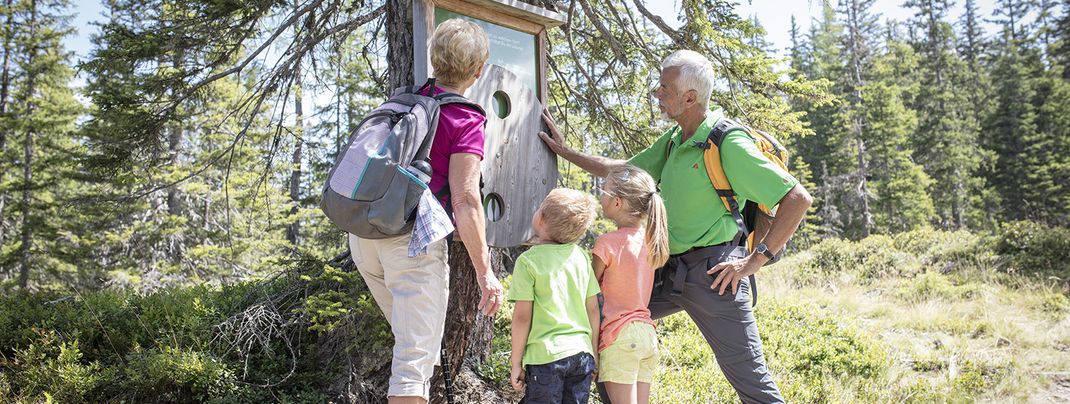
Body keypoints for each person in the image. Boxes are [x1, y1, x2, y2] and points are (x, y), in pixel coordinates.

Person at [539, 49, 813, 403]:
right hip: (666, 269)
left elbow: (797, 198)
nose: (657, 93)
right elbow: (623, 171)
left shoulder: (727, 142)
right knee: (606, 326)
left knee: (752, 382)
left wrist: (755, 260)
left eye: (664, 88)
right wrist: (565, 151)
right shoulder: (674, 140)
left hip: (716, 276)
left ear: (690, 97)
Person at [348, 19, 504, 404]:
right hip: (413, 245)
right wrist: (486, 274)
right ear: (478, 70)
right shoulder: (465, 118)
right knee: (413, 365)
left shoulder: (404, 103)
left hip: (364, 237)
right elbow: (466, 200)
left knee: (416, 346)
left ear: (434, 61)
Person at [508, 188, 601, 404]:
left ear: (540, 218)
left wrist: (515, 364)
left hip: (546, 357)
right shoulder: (579, 257)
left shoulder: (528, 261)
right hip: (582, 355)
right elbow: (594, 309)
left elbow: (522, 317)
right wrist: (594, 353)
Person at [592, 165, 669, 404]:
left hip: (619, 336)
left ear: (617, 202)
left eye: (603, 191)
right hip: (646, 333)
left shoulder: (606, 243)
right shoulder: (652, 241)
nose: (600, 196)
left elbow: (588, 292)